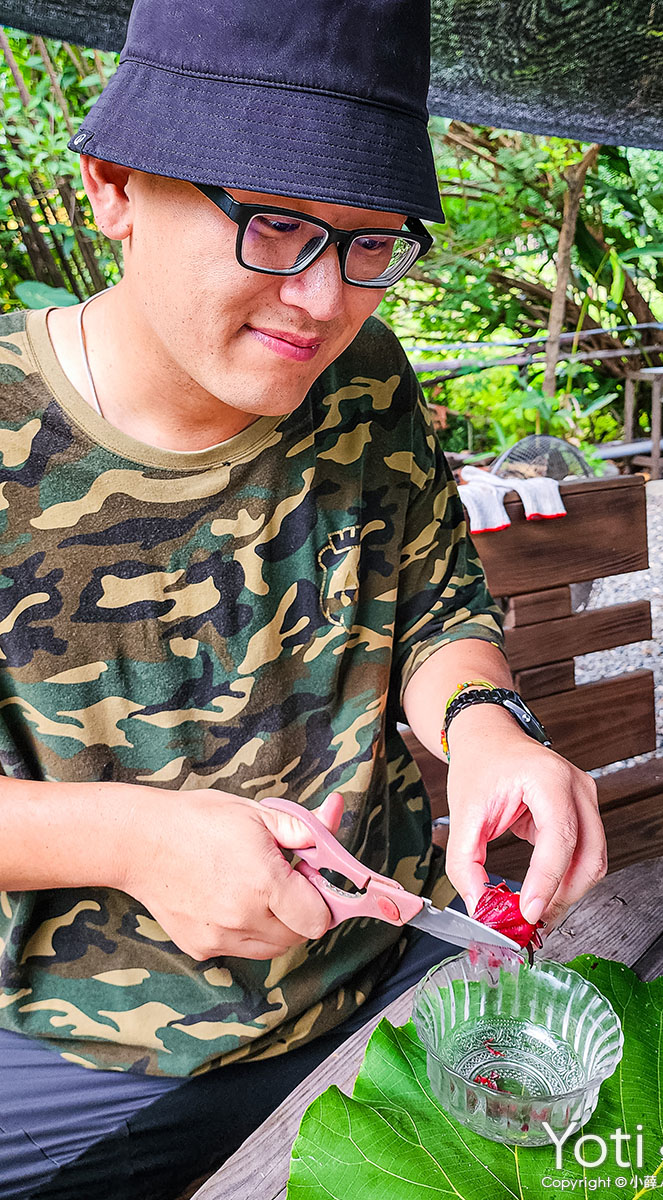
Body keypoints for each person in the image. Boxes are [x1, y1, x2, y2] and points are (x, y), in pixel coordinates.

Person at [0, 0, 606, 1195]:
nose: (322, 302)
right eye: (273, 225)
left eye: (371, 243)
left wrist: (486, 729)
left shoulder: (358, 378)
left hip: (398, 980)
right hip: (88, 1060)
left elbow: (435, 603)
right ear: (113, 186)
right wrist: (132, 838)